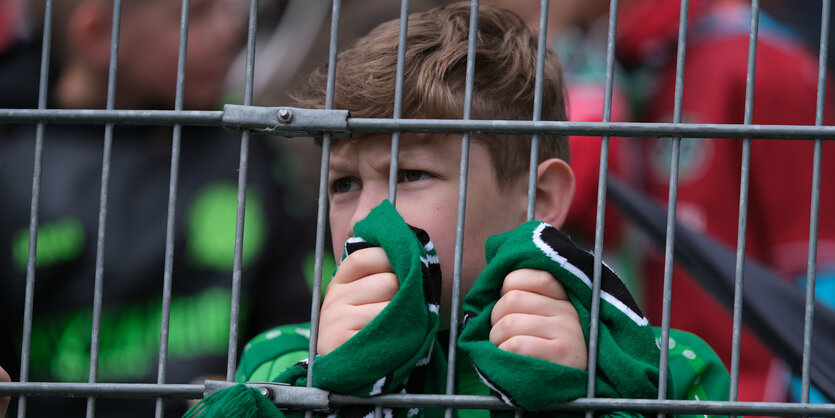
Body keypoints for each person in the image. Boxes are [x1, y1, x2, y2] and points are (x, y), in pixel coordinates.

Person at [188, 3, 730, 417]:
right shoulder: (279, 358)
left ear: (537, 200)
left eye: (412, 174)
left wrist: (584, 399)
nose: (365, 221)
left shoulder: (658, 366)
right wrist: (321, 387)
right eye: (345, 183)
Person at [0, 0, 315, 416]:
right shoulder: (13, 156)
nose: (232, 28)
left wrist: (257, 382)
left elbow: (298, 312)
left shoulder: (247, 142)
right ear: (98, 35)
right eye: (197, 13)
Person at [616, 0, 835, 404]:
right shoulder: (645, 65)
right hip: (667, 388)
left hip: (754, 399)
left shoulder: (765, 66)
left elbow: (818, 260)